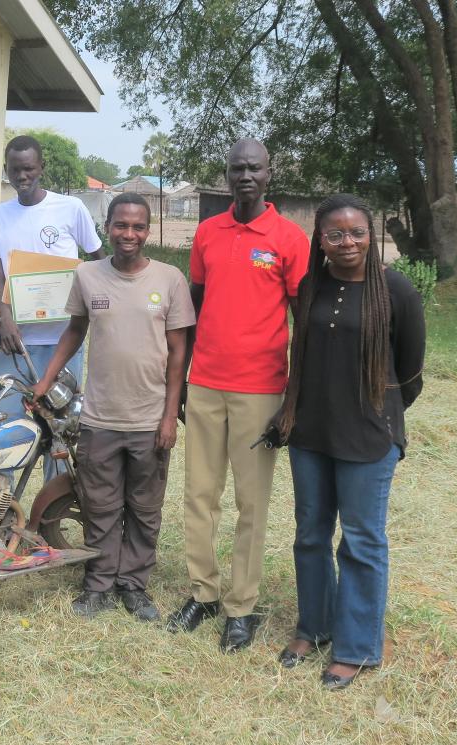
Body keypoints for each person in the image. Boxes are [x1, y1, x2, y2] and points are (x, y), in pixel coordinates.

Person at [274, 194, 425, 689]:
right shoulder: (310, 285)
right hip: (311, 430)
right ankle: (314, 627)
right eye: (335, 234)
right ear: (320, 240)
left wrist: (380, 413)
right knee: (310, 534)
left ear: (371, 235)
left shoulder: (396, 289)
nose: (347, 243)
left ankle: (357, 647)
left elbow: (410, 371)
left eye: (357, 232)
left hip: (368, 435)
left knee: (361, 540)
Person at [166, 138, 310, 653]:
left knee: (252, 502)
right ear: (226, 175)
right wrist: (183, 381)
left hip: (261, 390)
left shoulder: (289, 238)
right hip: (206, 382)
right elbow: (194, 308)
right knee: (199, 494)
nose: (245, 176)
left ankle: (241, 606)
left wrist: (292, 402)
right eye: (237, 168)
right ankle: (203, 593)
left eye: (254, 168)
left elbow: (304, 322)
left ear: (269, 174)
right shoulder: (208, 232)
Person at [33, 194, 193, 621]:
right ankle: (99, 584)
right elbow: (75, 330)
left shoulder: (170, 279)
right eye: (121, 225)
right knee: (100, 506)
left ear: (148, 230)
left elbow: (178, 352)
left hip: (149, 419)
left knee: (144, 509)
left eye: (138, 226)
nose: (129, 234)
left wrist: (169, 417)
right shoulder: (87, 275)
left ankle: (134, 585)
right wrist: (46, 379)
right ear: (106, 227)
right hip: (99, 417)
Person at [0, 134, 103, 474]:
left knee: (60, 431)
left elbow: (98, 260)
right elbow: (0, 277)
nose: (22, 176)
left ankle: (55, 502)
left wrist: (90, 304)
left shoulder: (70, 208)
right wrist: (4, 319)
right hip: (17, 343)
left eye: (29, 168)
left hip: (63, 340)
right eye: (14, 170)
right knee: (3, 423)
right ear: (6, 170)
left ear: (42, 167)